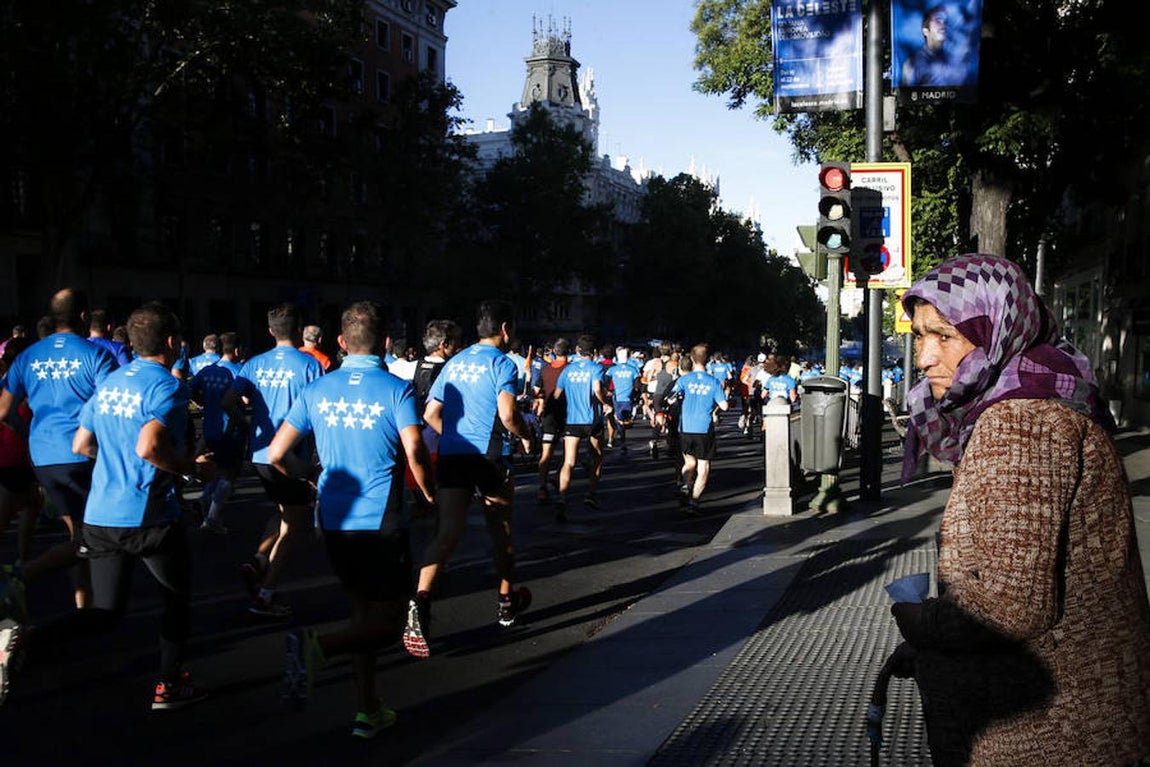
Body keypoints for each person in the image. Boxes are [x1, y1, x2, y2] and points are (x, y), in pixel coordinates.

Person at [888, 254, 1150, 765]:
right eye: (919, 336)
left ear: (997, 331)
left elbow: (1012, 605)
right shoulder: (1031, 400)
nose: (923, 357)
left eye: (944, 336)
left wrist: (920, 622)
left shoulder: (1021, 424)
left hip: (1052, 733)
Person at [6, 302, 215, 711]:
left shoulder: (111, 383)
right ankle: (168, 686)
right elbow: (149, 445)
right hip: (149, 516)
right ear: (172, 343)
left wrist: (116, 460)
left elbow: (81, 444)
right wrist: (190, 468)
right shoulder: (168, 386)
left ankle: (29, 638)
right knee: (176, 600)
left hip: (101, 514)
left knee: (104, 612)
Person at [269, 300, 435, 739]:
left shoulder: (316, 390)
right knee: (391, 620)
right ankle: (317, 646)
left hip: (334, 518)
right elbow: (415, 450)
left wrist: (307, 476)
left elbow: (276, 453)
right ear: (384, 342)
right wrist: (429, 495)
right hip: (381, 521)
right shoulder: (397, 390)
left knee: (362, 612)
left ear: (341, 343)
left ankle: (369, 709)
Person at [402, 299, 537, 659]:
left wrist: (453, 437)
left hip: (453, 456)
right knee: (502, 534)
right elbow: (508, 415)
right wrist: (527, 436)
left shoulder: (454, 362)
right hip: (489, 457)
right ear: (505, 329)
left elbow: (430, 413)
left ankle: (421, 599)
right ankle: (506, 602)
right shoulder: (502, 363)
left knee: (446, 533)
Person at [0, 289, 118, 611]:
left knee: (77, 533)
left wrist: (31, 435)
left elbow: (3, 412)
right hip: (84, 455)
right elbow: (111, 407)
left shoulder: (28, 356)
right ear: (83, 317)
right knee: (93, 536)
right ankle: (23, 574)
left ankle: (84, 605)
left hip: (44, 456)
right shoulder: (95, 355)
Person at [223, 303, 324, 617]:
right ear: (298, 330)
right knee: (294, 526)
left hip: (261, 453)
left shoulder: (254, 364)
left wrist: (247, 424)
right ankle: (265, 595)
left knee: (283, 513)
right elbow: (317, 413)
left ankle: (257, 560)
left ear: (270, 331)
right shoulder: (309, 366)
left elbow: (228, 401)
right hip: (292, 455)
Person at [189, 332, 244, 534]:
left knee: (219, 469)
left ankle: (204, 500)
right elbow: (246, 399)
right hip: (230, 428)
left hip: (210, 427)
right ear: (237, 350)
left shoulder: (208, 371)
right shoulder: (239, 371)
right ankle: (212, 517)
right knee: (229, 473)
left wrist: (202, 402)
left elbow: (190, 389)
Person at [552, 335, 610, 519]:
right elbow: (597, 389)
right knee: (597, 457)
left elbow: (556, 395)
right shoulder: (596, 368)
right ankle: (591, 494)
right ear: (593, 352)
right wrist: (606, 403)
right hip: (592, 420)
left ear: (577, 350)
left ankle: (562, 497)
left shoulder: (567, 370)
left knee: (569, 461)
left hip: (573, 420)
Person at [670, 344, 729, 515]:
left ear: (692, 359)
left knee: (689, 462)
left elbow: (671, 399)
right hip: (704, 428)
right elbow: (724, 406)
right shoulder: (714, 382)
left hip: (686, 427)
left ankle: (685, 485)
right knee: (704, 467)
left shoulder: (684, 380)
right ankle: (694, 502)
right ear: (707, 359)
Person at [533, 337, 569, 506]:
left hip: (549, 415)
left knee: (546, 452)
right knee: (569, 453)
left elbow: (537, 390)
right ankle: (557, 477)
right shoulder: (571, 369)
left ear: (554, 352)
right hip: (569, 415)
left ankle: (542, 487)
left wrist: (540, 402)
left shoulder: (546, 369)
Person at [902, 5, 961, 87]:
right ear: (925, 30)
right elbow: (906, 96)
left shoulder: (955, 61)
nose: (943, 26)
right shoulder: (912, 64)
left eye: (945, 22)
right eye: (938, 21)